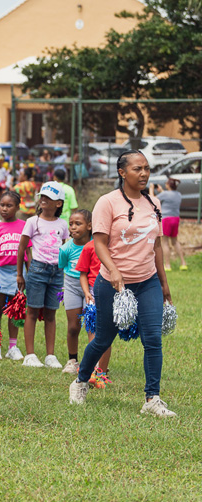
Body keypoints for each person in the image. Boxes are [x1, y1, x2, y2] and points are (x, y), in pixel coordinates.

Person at [70, 150, 175, 417]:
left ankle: (152, 399)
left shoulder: (154, 203)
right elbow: (99, 243)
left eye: (146, 168)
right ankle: (81, 381)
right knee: (103, 339)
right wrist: (114, 271)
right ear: (122, 172)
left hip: (147, 282)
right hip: (112, 284)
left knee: (153, 339)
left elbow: (157, 246)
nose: (144, 173)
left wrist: (163, 283)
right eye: (137, 169)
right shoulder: (107, 202)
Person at [16, 181, 69, 369]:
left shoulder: (63, 224)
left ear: (59, 203)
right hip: (37, 270)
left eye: (49, 198)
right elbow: (22, 248)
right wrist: (20, 274)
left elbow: (65, 248)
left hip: (57, 273)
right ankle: (30, 355)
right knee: (32, 311)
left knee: (51, 313)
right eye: (43, 196)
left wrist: (66, 271)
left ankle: (50, 356)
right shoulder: (33, 222)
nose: (44, 200)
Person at [0, 190, 29, 361]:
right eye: (2, 205)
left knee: (15, 310)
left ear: (17, 207)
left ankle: (12, 347)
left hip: (18, 273)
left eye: (9, 205)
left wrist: (28, 273)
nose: (4, 208)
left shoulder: (24, 226)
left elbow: (27, 251)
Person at [76, 234, 113, 386]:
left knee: (107, 334)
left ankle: (101, 373)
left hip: (111, 291)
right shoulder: (89, 247)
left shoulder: (118, 247)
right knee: (93, 333)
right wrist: (86, 292)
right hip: (93, 293)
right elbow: (83, 274)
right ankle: (91, 370)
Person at [58, 209, 92, 374]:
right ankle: (72, 361)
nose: (73, 227)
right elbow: (62, 265)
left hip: (91, 286)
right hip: (71, 285)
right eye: (71, 224)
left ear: (89, 226)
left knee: (91, 326)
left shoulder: (95, 245)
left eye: (78, 224)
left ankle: (93, 363)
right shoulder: (65, 249)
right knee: (73, 326)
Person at [150, 178, 187, 271]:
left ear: (168, 185)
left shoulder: (165, 194)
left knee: (165, 242)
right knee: (175, 241)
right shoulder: (178, 194)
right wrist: (161, 191)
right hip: (176, 219)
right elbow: (169, 197)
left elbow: (153, 200)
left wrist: (151, 188)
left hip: (166, 219)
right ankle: (183, 263)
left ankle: (167, 265)